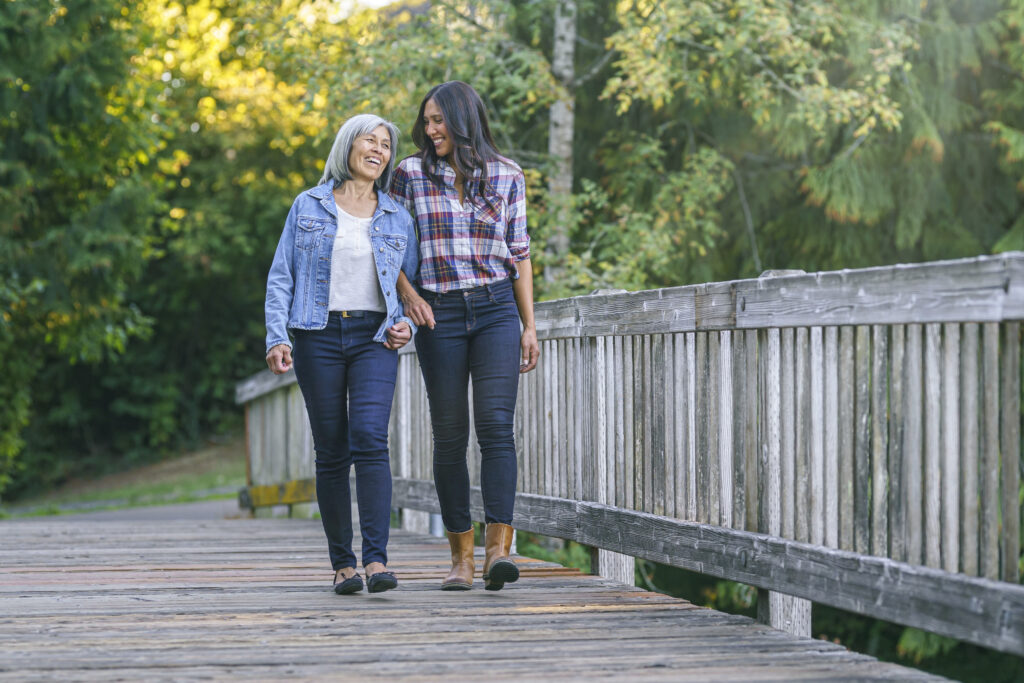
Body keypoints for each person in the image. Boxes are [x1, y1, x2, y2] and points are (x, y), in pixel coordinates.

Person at [391, 81, 540, 591]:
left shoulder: (508, 175)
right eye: (426, 121)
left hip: (497, 308)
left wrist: (529, 325)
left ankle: (499, 551)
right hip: (440, 314)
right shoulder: (409, 174)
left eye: (439, 121)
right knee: (450, 435)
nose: (431, 130)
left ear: (463, 119)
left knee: (496, 427)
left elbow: (519, 255)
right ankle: (460, 558)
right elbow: (386, 245)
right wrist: (409, 296)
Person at [265, 114, 418, 595]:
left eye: (386, 145)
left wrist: (406, 326)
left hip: (374, 338)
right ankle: (343, 565)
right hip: (318, 335)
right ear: (347, 147)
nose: (378, 150)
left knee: (370, 437)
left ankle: (376, 560)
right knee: (331, 448)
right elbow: (281, 275)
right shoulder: (307, 206)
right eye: (369, 141)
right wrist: (277, 336)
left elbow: (411, 290)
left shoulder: (397, 215)